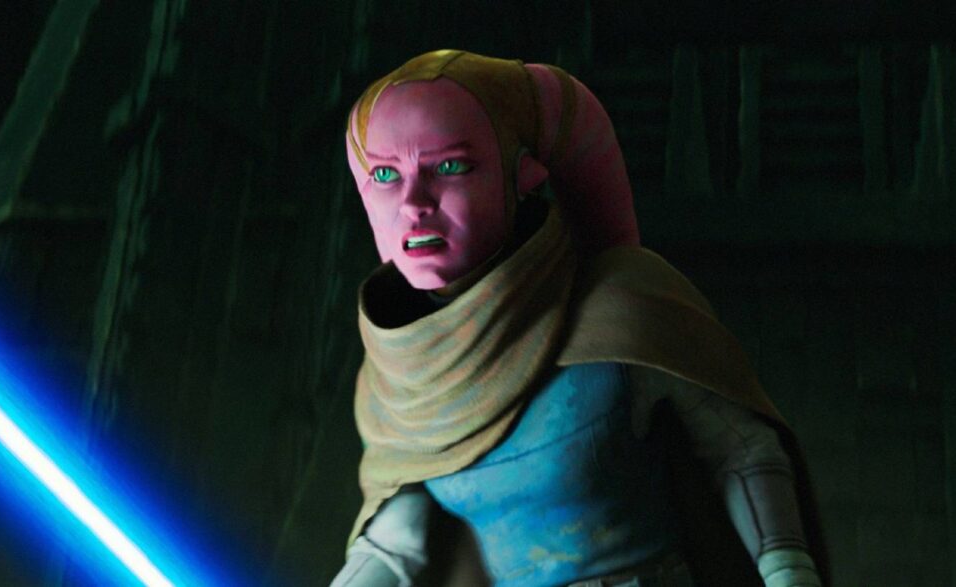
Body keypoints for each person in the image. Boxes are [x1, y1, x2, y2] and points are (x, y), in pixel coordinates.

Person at [330, 49, 827, 587]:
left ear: (521, 176)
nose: (413, 203)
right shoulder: (401, 375)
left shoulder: (619, 303)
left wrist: (788, 569)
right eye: (386, 174)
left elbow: (740, 449)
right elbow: (396, 544)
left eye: (450, 166)